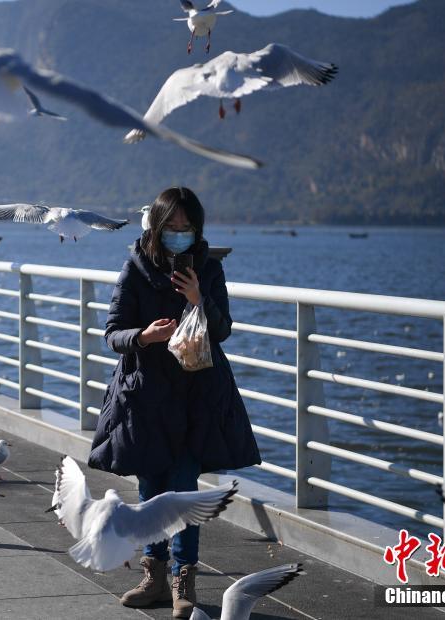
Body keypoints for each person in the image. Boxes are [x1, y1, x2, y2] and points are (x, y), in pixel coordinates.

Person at [88, 186, 261, 618]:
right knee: (150, 489)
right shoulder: (135, 267)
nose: (180, 236)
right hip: (146, 397)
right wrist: (145, 336)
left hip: (196, 396)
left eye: (188, 229)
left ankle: (184, 580)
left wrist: (198, 298)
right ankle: (154, 576)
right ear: (158, 228)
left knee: (183, 490)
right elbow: (113, 333)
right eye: (173, 229)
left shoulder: (209, 269)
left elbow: (222, 331)